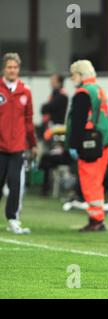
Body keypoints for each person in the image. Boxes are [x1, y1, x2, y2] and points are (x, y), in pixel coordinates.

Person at [65, 60, 108, 232]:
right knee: (97, 181)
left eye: (73, 74)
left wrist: (73, 144)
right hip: (104, 142)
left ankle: (96, 219)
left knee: (90, 182)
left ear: (81, 75)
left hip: (90, 144)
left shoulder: (83, 93)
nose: (72, 78)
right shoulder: (98, 90)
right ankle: (97, 218)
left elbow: (78, 122)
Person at [0, 53, 37, 234]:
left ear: (19, 69)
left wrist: (33, 143)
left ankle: (13, 219)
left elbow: (29, 121)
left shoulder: (26, 91)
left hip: (17, 148)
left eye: (15, 67)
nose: (12, 70)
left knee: (15, 185)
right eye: (9, 67)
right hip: (0, 147)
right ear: (4, 69)